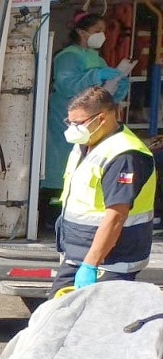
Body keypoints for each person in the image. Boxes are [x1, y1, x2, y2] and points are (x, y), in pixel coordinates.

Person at [49, 86, 155, 296]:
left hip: (109, 263)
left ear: (103, 118)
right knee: (56, 318)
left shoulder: (125, 155)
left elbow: (115, 217)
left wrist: (91, 265)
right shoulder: (87, 144)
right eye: (69, 122)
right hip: (79, 256)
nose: (72, 129)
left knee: (96, 325)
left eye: (78, 123)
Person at [41, 11, 130, 227]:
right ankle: (50, 215)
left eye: (103, 31)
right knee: (61, 164)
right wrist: (96, 76)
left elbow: (100, 93)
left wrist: (118, 88)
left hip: (92, 119)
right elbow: (66, 85)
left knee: (83, 164)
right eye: (97, 31)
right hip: (67, 116)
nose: (102, 35)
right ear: (82, 32)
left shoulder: (96, 58)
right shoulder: (68, 56)